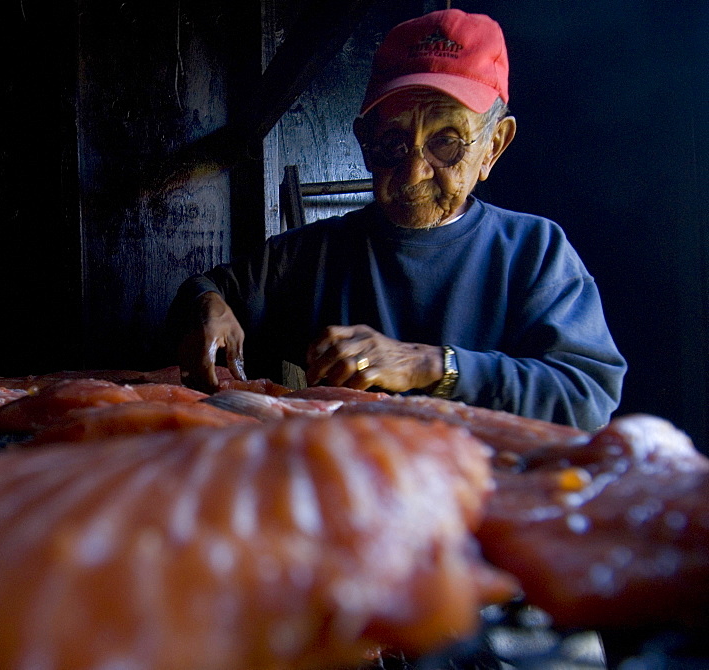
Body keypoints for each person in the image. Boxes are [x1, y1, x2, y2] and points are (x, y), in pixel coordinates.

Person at [167, 8, 626, 431]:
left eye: (446, 143)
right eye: (393, 142)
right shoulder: (314, 253)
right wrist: (205, 305)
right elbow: (208, 289)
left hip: (490, 496)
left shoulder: (533, 250)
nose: (413, 173)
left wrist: (429, 365)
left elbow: (586, 397)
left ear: (493, 147)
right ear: (364, 143)